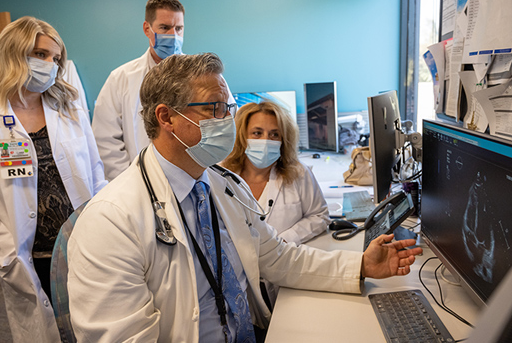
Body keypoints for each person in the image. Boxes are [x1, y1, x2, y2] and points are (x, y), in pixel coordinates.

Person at [67, 53, 423, 342]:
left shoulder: (223, 185)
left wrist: (360, 265)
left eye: (230, 107)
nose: (228, 120)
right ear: (166, 118)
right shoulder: (111, 220)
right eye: (215, 109)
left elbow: (278, 258)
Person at [0, 16, 107, 342]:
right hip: (28, 254)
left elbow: (95, 170)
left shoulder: (70, 107)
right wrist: (5, 256)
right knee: (45, 331)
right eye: (41, 54)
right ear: (14, 54)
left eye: (56, 58)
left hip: (84, 244)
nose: (51, 65)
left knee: (96, 325)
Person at [91, 0, 185, 181]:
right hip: (137, 180)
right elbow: (106, 140)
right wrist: (133, 183)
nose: (173, 36)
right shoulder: (121, 78)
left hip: (188, 176)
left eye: (179, 28)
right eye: (164, 28)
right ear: (147, 29)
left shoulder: (199, 76)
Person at [222, 100, 329, 245]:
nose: (265, 140)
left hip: (285, 260)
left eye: (274, 135)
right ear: (242, 136)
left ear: (284, 140)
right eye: (257, 133)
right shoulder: (221, 175)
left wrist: (284, 240)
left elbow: (319, 216)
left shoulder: (298, 172)